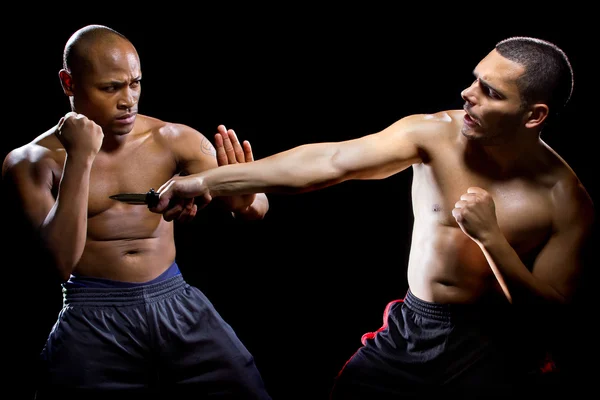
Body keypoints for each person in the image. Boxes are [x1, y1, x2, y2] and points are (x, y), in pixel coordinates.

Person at [149, 37, 595, 399]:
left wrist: (491, 239)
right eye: (475, 80)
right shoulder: (435, 134)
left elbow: (549, 317)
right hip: (414, 328)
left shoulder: (565, 200)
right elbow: (331, 161)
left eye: (491, 93)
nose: (467, 94)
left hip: (495, 351)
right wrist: (210, 181)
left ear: (534, 115)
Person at [1, 24, 272, 399]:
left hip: (174, 298)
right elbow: (60, 262)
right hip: (91, 313)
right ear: (69, 83)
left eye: (135, 83)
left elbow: (257, 208)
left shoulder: (172, 139)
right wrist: (80, 158)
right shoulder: (32, 161)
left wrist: (245, 201)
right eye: (111, 88)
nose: (128, 99)